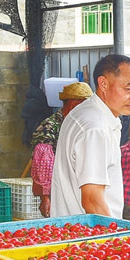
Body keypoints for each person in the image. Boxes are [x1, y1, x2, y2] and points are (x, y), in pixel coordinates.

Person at [51, 54, 130, 218]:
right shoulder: (95, 127)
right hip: (91, 236)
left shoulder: (86, 113)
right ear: (103, 84)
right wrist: (112, 238)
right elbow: (92, 200)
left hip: (77, 232)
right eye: (128, 89)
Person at [30, 82, 93, 217]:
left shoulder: (77, 123)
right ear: (73, 104)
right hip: (57, 190)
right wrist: (45, 198)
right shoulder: (50, 127)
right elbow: (42, 164)